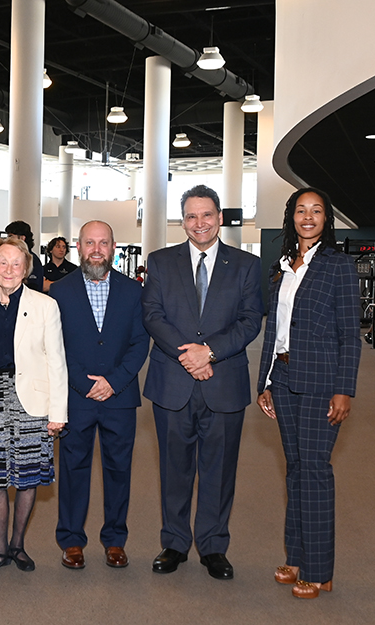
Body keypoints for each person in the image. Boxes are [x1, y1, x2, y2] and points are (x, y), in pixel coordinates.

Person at [142, 184, 262, 580]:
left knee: (219, 469)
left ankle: (213, 546)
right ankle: (174, 543)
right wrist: (189, 355)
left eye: (207, 215)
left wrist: (208, 353)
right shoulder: (160, 262)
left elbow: (250, 320)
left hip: (223, 383)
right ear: (182, 221)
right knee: (174, 469)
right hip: (173, 384)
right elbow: (153, 316)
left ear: (220, 218)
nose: (199, 223)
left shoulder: (245, 265)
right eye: (191, 216)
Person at [255, 188, 361, 599]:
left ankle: (320, 571)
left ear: (326, 219)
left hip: (321, 384)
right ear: (291, 217)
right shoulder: (281, 267)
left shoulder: (338, 266)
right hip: (282, 380)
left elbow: (350, 334)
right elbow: (275, 329)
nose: (308, 217)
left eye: (316, 211)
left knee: (315, 471)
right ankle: (297, 556)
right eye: (301, 210)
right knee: (296, 470)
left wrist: (344, 389)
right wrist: (264, 381)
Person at [0, 236, 67, 575]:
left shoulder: (44, 306)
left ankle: (19, 544)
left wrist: (58, 412)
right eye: (2, 263)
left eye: (16, 263)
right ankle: (0, 550)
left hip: (33, 402)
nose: (9, 269)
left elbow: (57, 362)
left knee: (26, 478)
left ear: (27, 268)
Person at [49, 221, 148, 570]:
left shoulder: (134, 291)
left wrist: (114, 381)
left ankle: (115, 540)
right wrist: (84, 383)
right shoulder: (59, 292)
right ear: (78, 247)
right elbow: (55, 346)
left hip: (120, 398)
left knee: (118, 469)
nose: (96, 249)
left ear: (114, 247)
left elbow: (140, 343)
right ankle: (72, 540)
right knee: (73, 468)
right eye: (89, 242)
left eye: (103, 243)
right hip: (76, 398)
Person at [5, 220, 44, 291]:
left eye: (11, 236)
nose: (8, 240)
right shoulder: (13, 258)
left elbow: (33, 287)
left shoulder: (32, 260)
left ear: (22, 238)